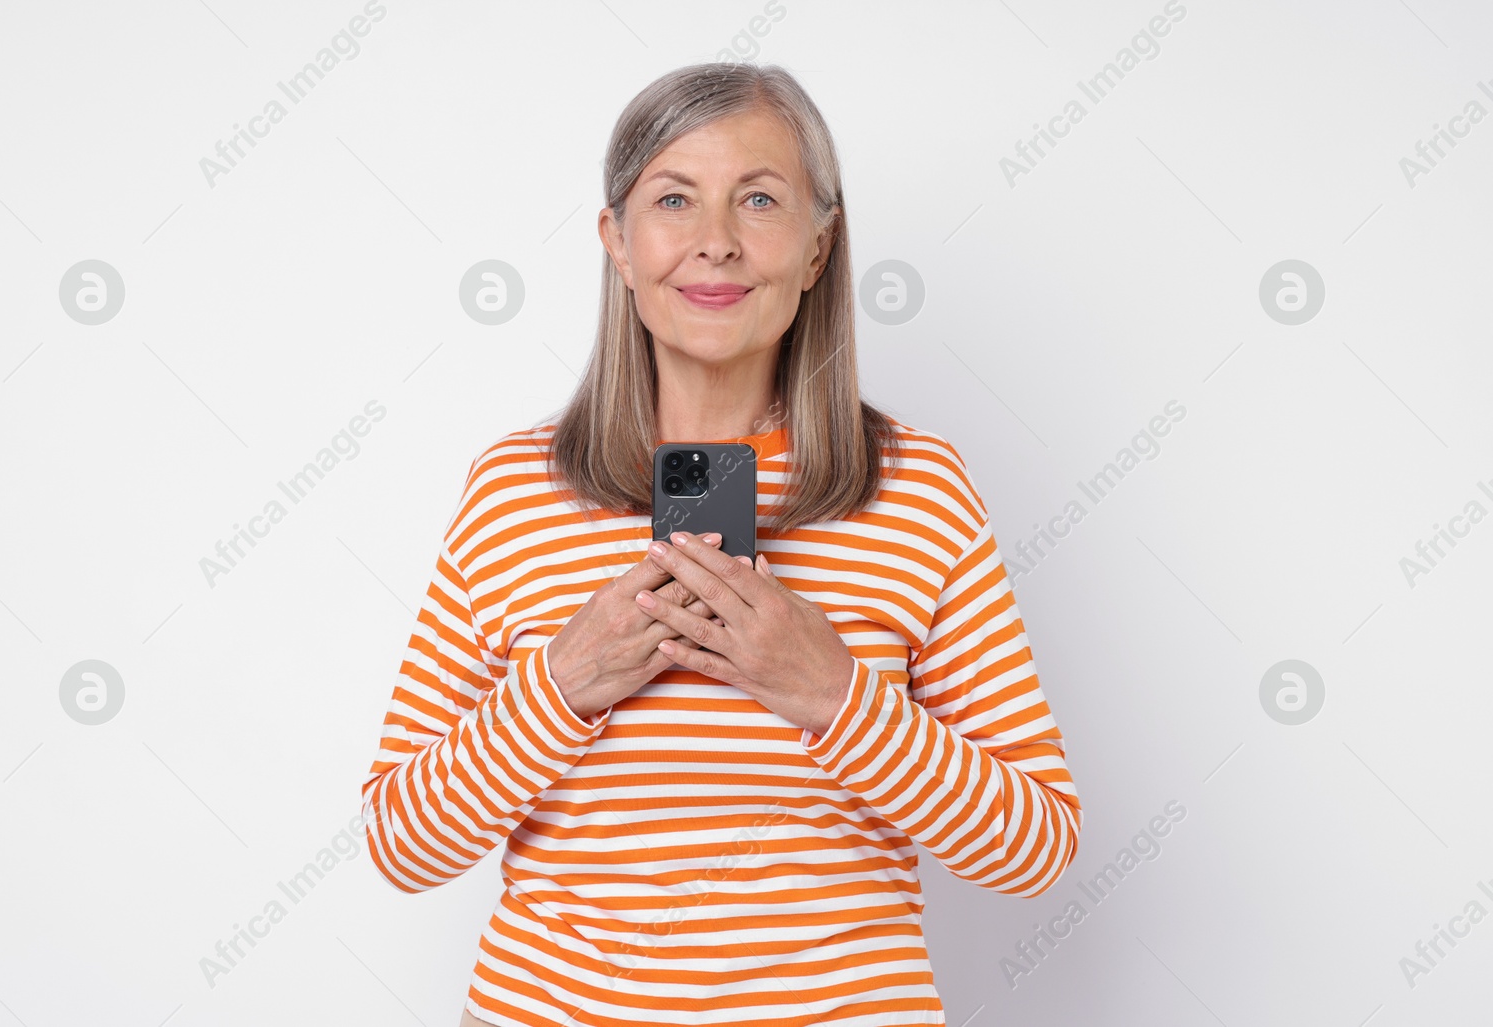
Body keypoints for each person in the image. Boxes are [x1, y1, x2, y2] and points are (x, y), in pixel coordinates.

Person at [360, 61, 1082, 1027]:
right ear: (617, 240)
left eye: (759, 199)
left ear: (820, 246)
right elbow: (402, 841)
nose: (716, 243)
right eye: (673, 198)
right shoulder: (515, 490)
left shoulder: (917, 488)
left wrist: (833, 691)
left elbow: (1035, 847)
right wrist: (563, 683)